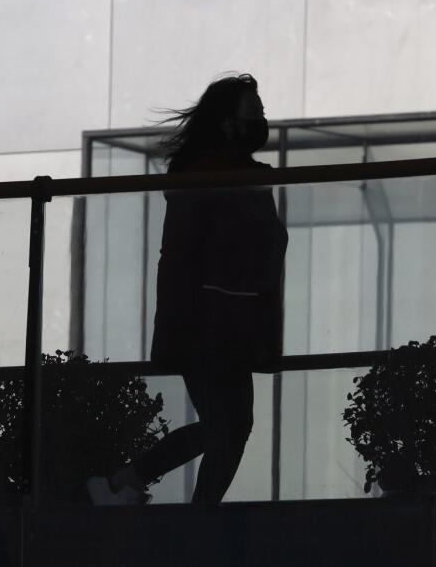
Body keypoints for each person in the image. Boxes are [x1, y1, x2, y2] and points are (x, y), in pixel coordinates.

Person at [86, 73, 288, 506]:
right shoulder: (203, 177)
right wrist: (179, 326)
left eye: (262, 113)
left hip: (234, 324)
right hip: (205, 324)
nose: (262, 121)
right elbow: (181, 256)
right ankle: (146, 488)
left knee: (235, 425)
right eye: (253, 113)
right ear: (225, 122)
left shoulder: (244, 176)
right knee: (227, 426)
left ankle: (155, 495)